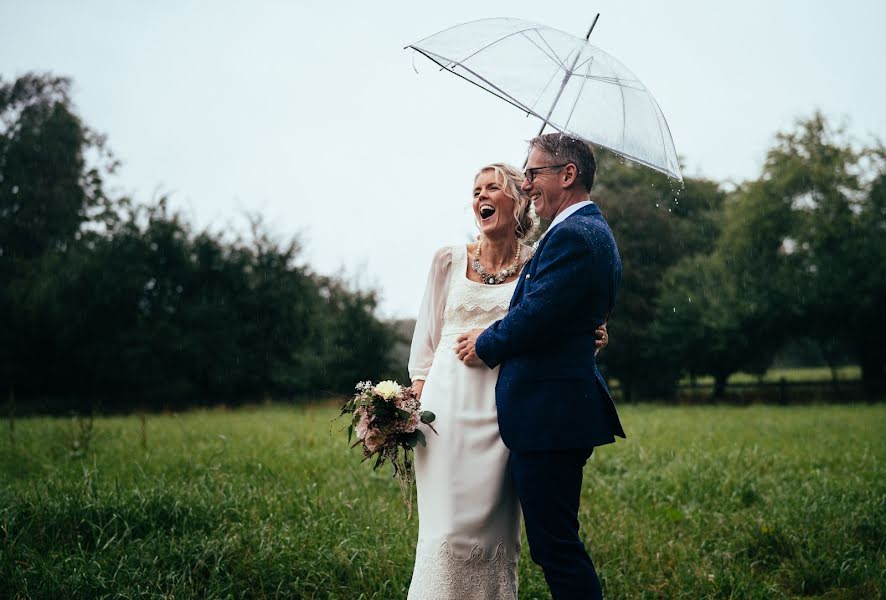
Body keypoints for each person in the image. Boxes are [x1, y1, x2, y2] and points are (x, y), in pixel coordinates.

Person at [406, 162, 608, 599]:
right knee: (445, 529)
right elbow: (425, 343)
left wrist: (589, 332)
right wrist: (411, 405)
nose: (481, 196)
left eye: (493, 187)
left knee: (494, 532)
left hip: (508, 411)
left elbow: (557, 317)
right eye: (476, 190)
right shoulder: (447, 259)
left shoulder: (542, 260)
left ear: (516, 201)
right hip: (446, 411)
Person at [455, 133, 624, 600]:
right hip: (555, 413)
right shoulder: (587, 231)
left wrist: (485, 343)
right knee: (555, 545)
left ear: (567, 175)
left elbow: (535, 315)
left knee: (556, 549)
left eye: (532, 174)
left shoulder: (574, 235)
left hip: (550, 416)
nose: (527, 185)